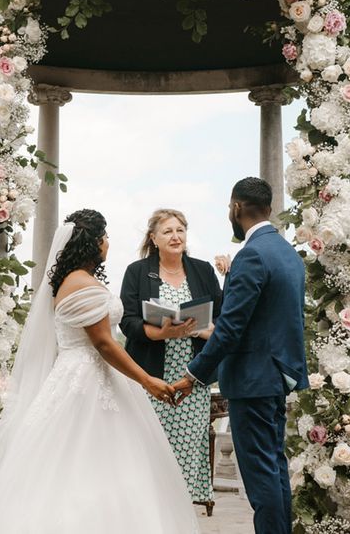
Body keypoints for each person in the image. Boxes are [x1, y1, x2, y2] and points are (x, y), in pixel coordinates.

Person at [0, 209, 200, 533]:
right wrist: (147, 381)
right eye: (106, 237)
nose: (108, 243)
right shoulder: (82, 284)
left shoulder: (69, 280)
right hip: (87, 378)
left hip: (80, 373)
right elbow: (103, 343)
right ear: (94, 243)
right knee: (92, 463)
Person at [174, 177, 309, 534]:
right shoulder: (287, 253)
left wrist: (193, 374)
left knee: (261, 479)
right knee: (274, 470)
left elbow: (231, 329)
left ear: (236, 208)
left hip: (252, 381)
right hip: (277, 378)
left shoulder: (251, 256)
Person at [119, 208, 223, 504]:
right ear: (154, 238)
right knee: (148, 451)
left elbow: (223, 318)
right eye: (167, 231)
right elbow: (127, 322)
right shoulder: (137, 272)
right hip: (150, 377)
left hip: (193, 379)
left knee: (188, 451)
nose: (175, 236)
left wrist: (199, 330)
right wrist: (163, 333)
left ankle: (182, 516)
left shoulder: (203, 270)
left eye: (180, 230)